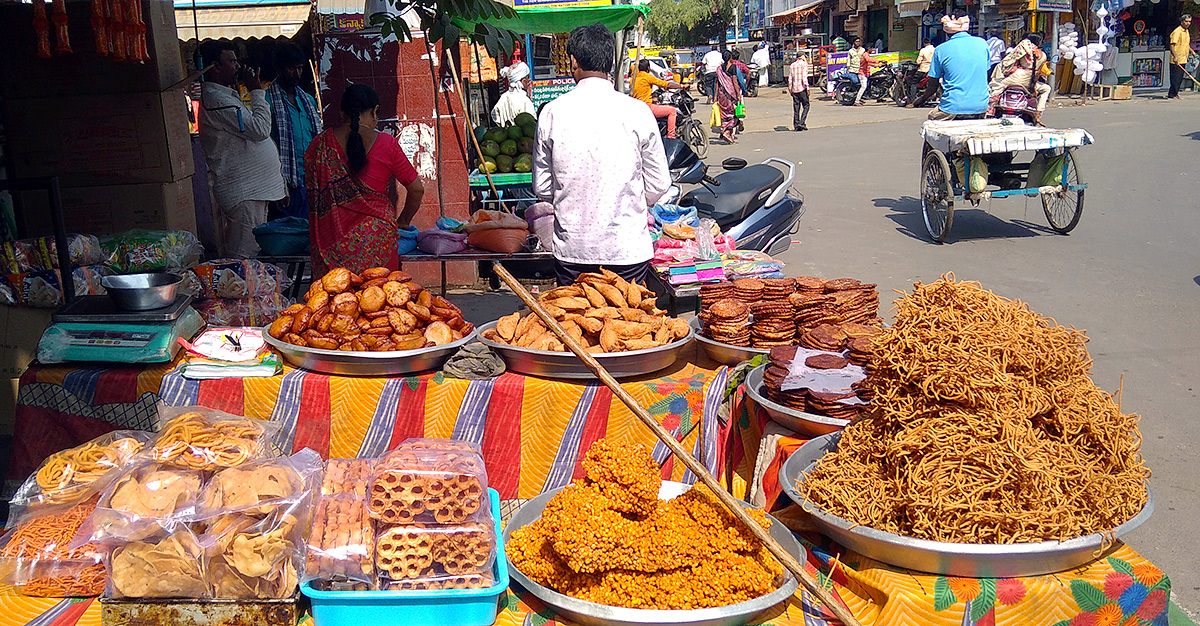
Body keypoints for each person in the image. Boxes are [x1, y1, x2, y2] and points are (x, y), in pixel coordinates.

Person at [532, 24, 670, 287]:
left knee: (573, 326)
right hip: (626, 249)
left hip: (574, 250)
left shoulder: (551, 112)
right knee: (628, 325)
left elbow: (543, 186)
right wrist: (629, 202)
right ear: (610, 61)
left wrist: (577, 201)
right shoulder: (638, 112)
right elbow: (659, 184)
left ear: (573, 61)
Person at [303, 84, 425, 276]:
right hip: (377, 240)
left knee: (337, 301)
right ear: (375, 111)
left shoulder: (318, 146)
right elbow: (416, 189)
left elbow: (314, 199)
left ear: (342, 113)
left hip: (330, 243)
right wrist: (402, 222)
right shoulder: (387, 143)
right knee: (380, 298)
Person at [199, 42, 286, 258]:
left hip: (253, 190)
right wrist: (257, 92)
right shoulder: (216, 99)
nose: (238, 66)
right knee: (244, 256)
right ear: (215, 67)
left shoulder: (227, 96)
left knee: (252, 254)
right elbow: (259, 129)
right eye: (232, 61)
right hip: (244, 191)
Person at [266, 42, 322, 221]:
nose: (296, 74)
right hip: (285, 181)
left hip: (311, 179)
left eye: (299, 68)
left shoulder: (308, 101)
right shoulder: (267, 101)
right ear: (278, 68)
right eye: (291, 68)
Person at [925, 15, 990, 121]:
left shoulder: (940, 49)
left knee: (932, 120)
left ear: (946, 32)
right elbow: (986, 72)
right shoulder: (982, 43)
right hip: (981, 105)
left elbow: (933, 85)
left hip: (952, 106)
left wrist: (921, 99)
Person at [988, 32, 1051, 124]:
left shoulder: (1024, 49)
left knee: (994, 87)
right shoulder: (1043, 55)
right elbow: (1043, 71)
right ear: (1039, 42)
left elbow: (1009, 60)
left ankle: (990, 111)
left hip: (1014, 79)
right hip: (1029, 83)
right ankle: (1038, 114)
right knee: (1046, 88)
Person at [631, 58, 686, 138]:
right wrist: (682, 86)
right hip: (647, 107)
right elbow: (666, 84)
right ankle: (671, 136)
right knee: (672, 111)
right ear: (648, 68)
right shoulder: (647, 77)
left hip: (638, 106)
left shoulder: (634, 78)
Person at [714, 51, 743, 143]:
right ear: (730, 57)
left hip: (722, 94)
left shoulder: (719, 68)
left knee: (724, 114)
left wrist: (716, 96)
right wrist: (738, 94)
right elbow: (734, 82)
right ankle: (726, 132)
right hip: (731, 94)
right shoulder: (733, 67)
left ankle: (729, 135)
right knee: (734, 114)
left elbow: (717, 82)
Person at [908, 38, 938, 107]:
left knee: (913, 83)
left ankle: (912, 101)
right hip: (932, 70)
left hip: (923, 70)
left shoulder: (923, 50)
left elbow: (918, 61)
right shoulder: (935, 49)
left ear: (924, 43)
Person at [1169, 14, 1192, 99]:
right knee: (1175, 77)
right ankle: (1172, 94)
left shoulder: (1186, 31)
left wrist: (1192, 52)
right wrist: (1175, 56)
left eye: (1189, 22)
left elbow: (1186, 44)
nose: (1188, 23)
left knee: (1179, 78)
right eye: (1186, 21)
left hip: (1183, 58)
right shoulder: (1177, 31)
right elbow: (1172, 45)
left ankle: (1175, 93)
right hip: (1176, 58)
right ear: (1182, 21)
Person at [787, 53, 810, 131]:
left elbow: (790, 78)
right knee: (806, 105)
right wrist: (807, 87)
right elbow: (804, 77)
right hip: (802, 88)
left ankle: (796, 125)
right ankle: (802, 122)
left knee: (796, 107)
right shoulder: (804, 64)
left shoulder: (792, 65)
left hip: (794, 89)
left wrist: (790, 89)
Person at [846, 37, 872, 105]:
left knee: (865, 84)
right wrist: (848, 68)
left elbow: (867, 59)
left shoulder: (862, 50)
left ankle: (861, 97)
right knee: (858, 84)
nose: (857, 43)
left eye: (859, 41)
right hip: (853, 69)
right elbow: (848, 60)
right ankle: (857, 99)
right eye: (856, 41)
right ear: (853, 42)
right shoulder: (850, 51)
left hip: (861, 68)